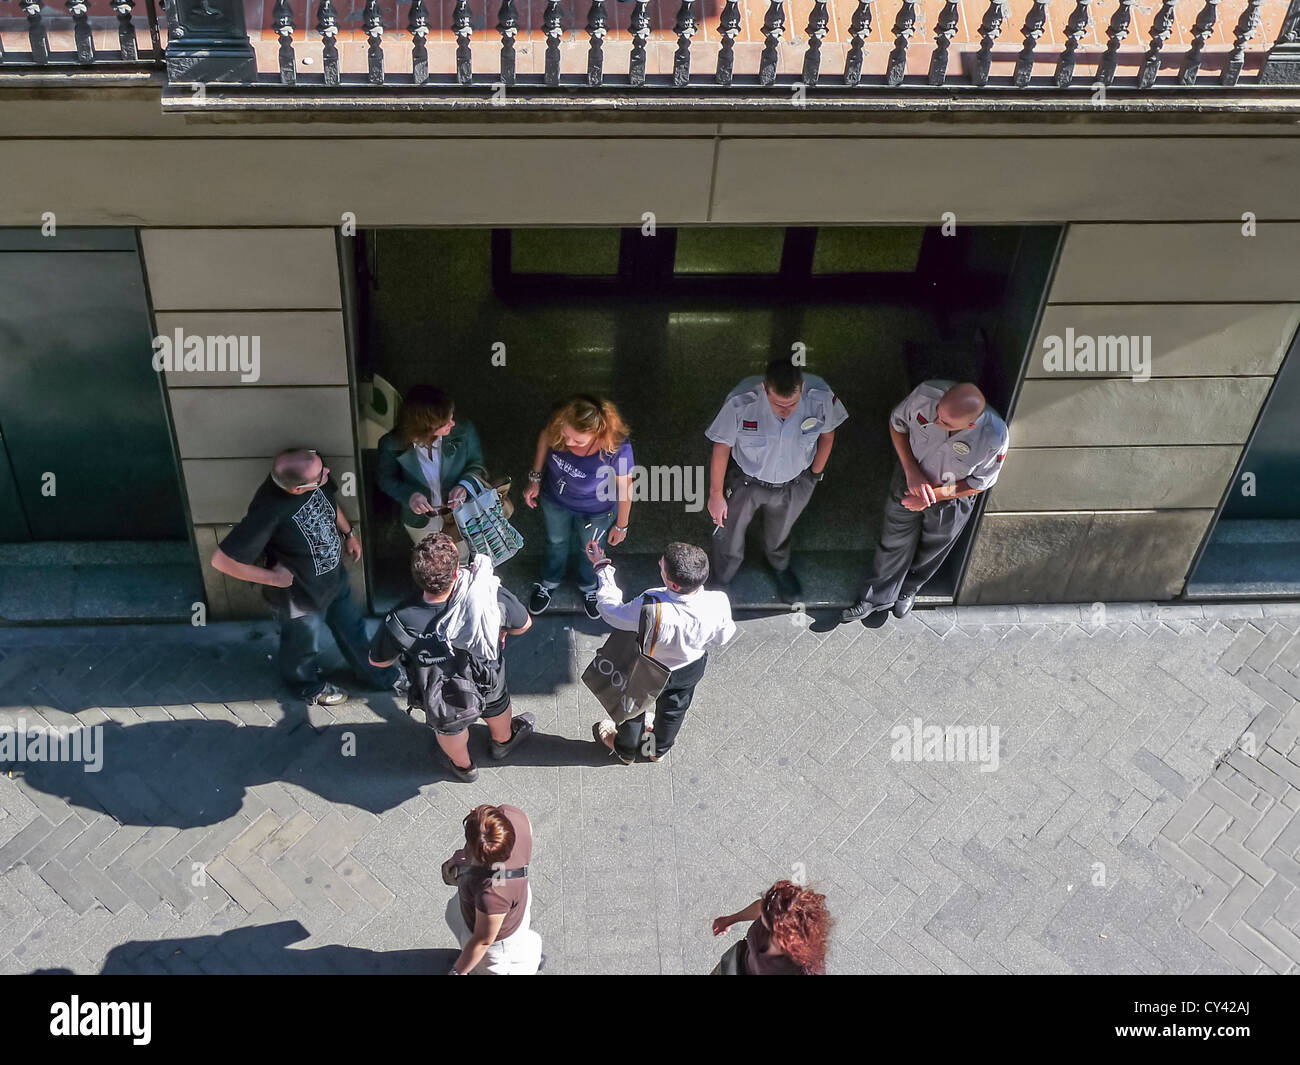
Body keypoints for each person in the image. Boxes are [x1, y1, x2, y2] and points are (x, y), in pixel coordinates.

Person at [212, 448, 398, 706]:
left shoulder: (310, 470)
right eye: (322, 475)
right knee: (302, 647)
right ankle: (306, 686)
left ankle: (381, 676)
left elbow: (329, 500)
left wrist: (348, 533)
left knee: (353, 630)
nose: (328, 473)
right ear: (297, 489)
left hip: (334, 579)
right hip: (300, 597)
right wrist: (274, 579)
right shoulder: (269, 510)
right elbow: (221, 561)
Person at [368, 533, 534, 783]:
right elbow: (524, 624)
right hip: (486, 674)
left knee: (449, 727)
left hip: (439, 691)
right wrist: (500, 630)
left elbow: (378, 661)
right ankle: (503, 743)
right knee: (496, 704)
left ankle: (464, 767)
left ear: (417, 576)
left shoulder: (401, 618)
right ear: (456, 573)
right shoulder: (488, 596)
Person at [841, 380, 1008, 626]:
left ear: (970, 425)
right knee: (894, 537)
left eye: (946, 423)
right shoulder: (925, 395)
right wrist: (911, 472)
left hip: (952, 495)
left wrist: (934, 496)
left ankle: (909, 588)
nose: (937, 422)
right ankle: (876, 597)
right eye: (939, 413)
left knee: (934, 545)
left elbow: (979, 482)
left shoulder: (995, 437)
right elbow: (897, 425)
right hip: (910, 478)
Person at [705, 358, 847, 601]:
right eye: (778, 405)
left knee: (780, 533)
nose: (786, 411)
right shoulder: (741, 401)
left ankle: (779, 567)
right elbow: (721, 446)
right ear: (764, 388)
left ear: (801, 387)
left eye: (792, 404)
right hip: (746, 482)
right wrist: (716, 494)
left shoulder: (820, 395)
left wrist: (814, 476)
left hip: (794, 483)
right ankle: (723, 577)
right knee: (729, 533)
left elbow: (827, 435)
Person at [585, 539, 735, 764]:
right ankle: (657, 750)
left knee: (633, 707)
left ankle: (625, 750)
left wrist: (602, 568)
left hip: (648, 669)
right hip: (690, 668)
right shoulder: (718, 602)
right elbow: (723, 637)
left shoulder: (651, 604)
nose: (659, 563)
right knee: (675, 710)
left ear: (673, 585)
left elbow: (611, 612)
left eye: (662, 567)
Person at [522, 395, 634, 619]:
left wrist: (622, 525)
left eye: (578, 441)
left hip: (598, 508)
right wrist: (535, 477)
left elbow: (626, 488)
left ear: (599, 435)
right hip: (555, 499)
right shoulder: (559, 427)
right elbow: (546, 437)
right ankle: (550, 580)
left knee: (590, 548)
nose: (568, 444)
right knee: (556, 541)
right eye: (566, 436)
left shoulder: (617, 448)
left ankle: (589, 586)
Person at [375, 384, 499, 562]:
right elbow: (385, 478)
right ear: (425, 426)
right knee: (430, 565)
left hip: (459, 516)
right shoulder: (391, 444)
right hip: (419, 521)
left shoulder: (464, 431)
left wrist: (464, 486)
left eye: (452, 416)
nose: (453, 423)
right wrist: (409, 496)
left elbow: (477, 465)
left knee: (460, 560)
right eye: (445, 422)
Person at [442, 803, 541, 975]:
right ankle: (528, 958)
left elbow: (483, 941)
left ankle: (527, 964)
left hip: (496, 936)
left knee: (492, 969)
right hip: (516, 899)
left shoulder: (492, 894)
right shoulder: (512, 815)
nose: (472, 809)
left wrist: (457, 972)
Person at [711, 880, 832, 975]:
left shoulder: (805, 970)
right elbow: (760, 908)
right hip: (731, 966)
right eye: (765, 924)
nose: (764, 933)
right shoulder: (773, 916)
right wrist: (730, 920)